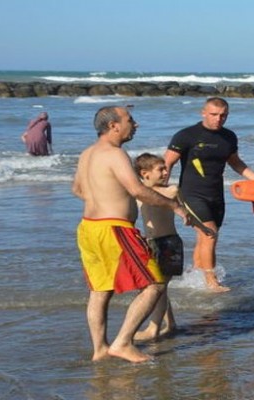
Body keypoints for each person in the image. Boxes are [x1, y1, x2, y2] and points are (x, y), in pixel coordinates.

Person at [72, 106, 188, 363]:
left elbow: (77, 189)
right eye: (130, 120)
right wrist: (174, 205)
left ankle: (100, 348)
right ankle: (123, 343)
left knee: (100, 291)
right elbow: (137, 190)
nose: (135, 125)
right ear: (114, 125)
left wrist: (104, 199)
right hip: (113, 229)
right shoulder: (115, 154)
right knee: (155, 283)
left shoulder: (87, 153)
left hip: (88, 227)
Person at [165, 97, 254, 292]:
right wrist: (161, 191)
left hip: (216, 195)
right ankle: (211, 282)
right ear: (203, 112)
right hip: (191, 193)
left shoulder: (229, 137)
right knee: (210, 234)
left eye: (223, 115)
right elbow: (167, 163)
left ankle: (194, 277)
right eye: (214, 115)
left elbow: (236, 163)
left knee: (205, 237)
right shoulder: (186, 135)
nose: (219, 119)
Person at [133, 153, 184, 341]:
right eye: (160, 169)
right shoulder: (138, 192)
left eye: (165, 168)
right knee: (159, 288)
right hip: (150, 243)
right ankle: (170, 324)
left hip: (168, 243)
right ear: (145, 173)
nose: (165, 172)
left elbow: (163, 195)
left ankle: (153, 329)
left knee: (158, 287)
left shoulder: (170, 190)